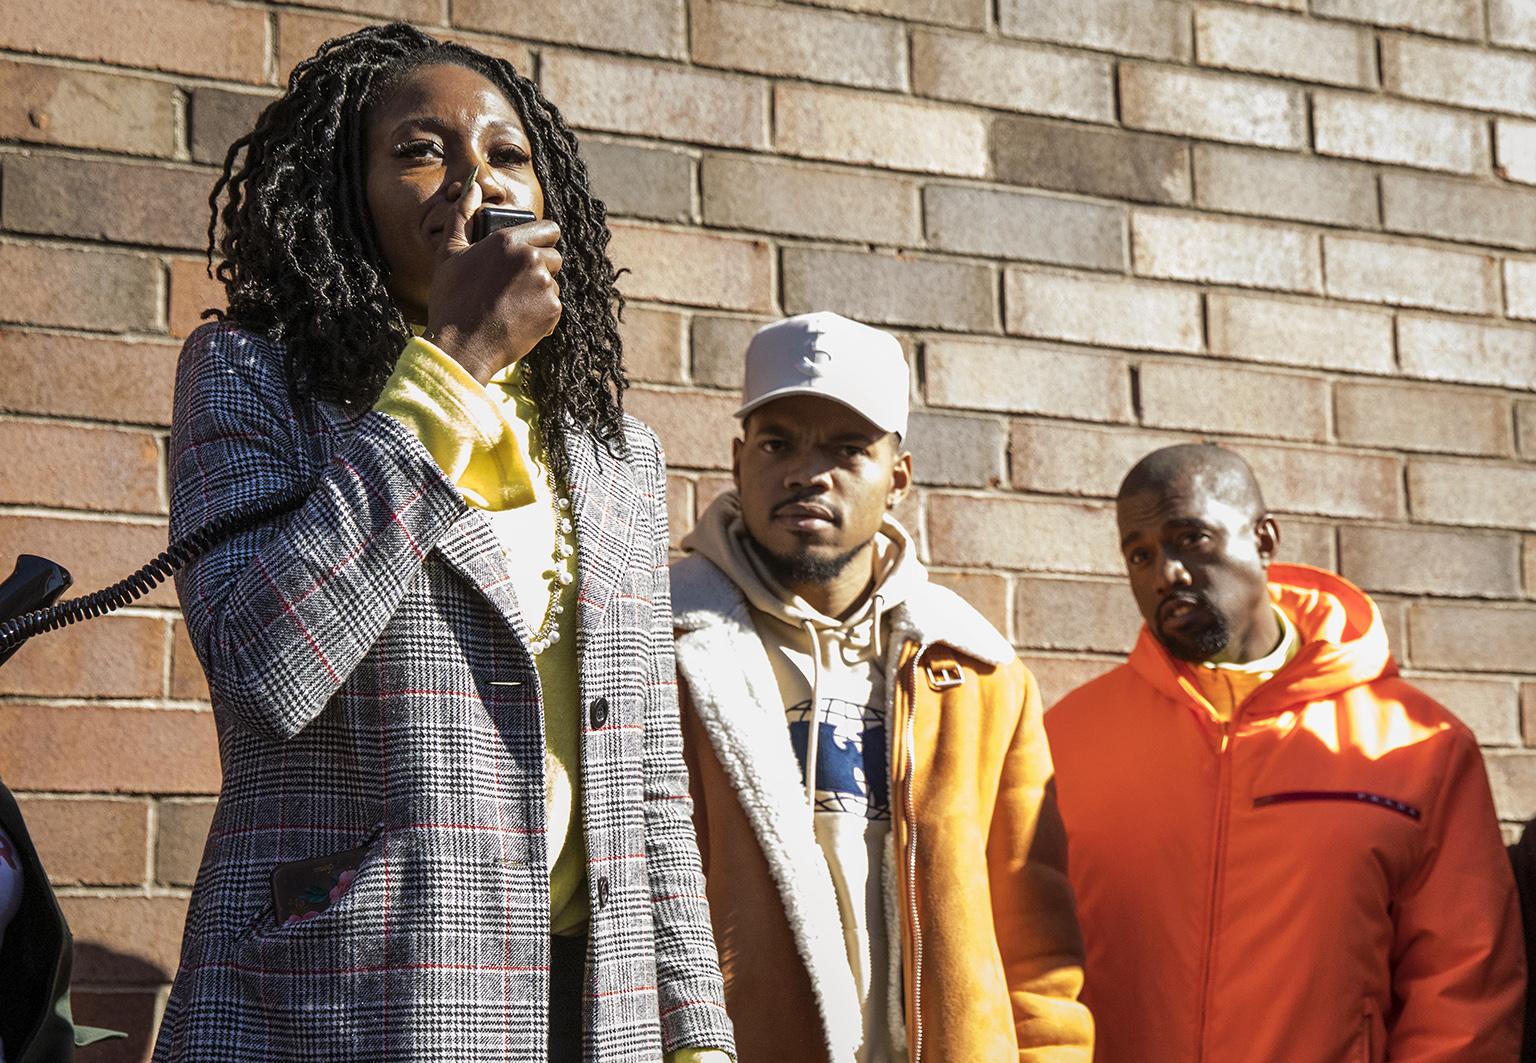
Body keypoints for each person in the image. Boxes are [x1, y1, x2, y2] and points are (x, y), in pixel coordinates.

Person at [152, 24, 731, 1063]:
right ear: (345, 197)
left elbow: (645, 774)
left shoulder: (614, 457)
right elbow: (266, 668)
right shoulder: (252, 383)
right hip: (357, 1003)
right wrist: (452, 366)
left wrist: (694, 1035)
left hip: (593, 1013)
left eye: (508, 157)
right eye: (423, 151)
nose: (475, 184)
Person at [670, 311, 1093, 1062]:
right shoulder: (660, 646)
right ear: (739, 462)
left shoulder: (977, 672)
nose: (807, 472)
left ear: (897, 477)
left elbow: (1038, 954)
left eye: (846, 449)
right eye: (778, 444)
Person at [1045, 443, 1524, 1062]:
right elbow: (1026, 965)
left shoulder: (1417, 747)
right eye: (1141, 554)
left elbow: (1464, 991)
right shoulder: (1067, 737)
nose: (1166, 572)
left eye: (1190, 537)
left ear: (1264, 539)